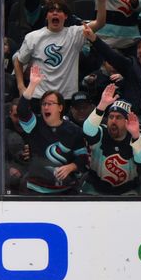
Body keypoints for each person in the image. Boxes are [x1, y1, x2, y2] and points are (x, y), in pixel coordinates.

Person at [13, 0, 107, 101]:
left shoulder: (75, 33)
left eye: (59, 10)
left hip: (66, 97)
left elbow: (100, 23)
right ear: (46, 16)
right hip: (39, 97)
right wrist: (21, 86)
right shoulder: (33, 37)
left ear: (66, 16)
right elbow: (18, 61)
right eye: (51, 10)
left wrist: (102, 2)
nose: (55, 13)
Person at [16, 65, 89, 194]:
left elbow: (83, 158)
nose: (46, 107)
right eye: (43, 104)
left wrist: (71, 167)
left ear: (60, 108)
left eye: (50, 103)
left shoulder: (74, 131)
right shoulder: (34, 125)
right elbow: (21, 111)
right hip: (35, 189)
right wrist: (32, 85)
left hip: (65, 190)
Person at [82, 84, 141, 195]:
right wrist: (102, 105)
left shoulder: (134, 138)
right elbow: (88, 129)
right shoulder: (101, 132)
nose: (113, 121)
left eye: (118, 117)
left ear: (127, 121)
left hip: (127, 193)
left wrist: (136, 135)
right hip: (95, 191)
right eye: (111, 117)